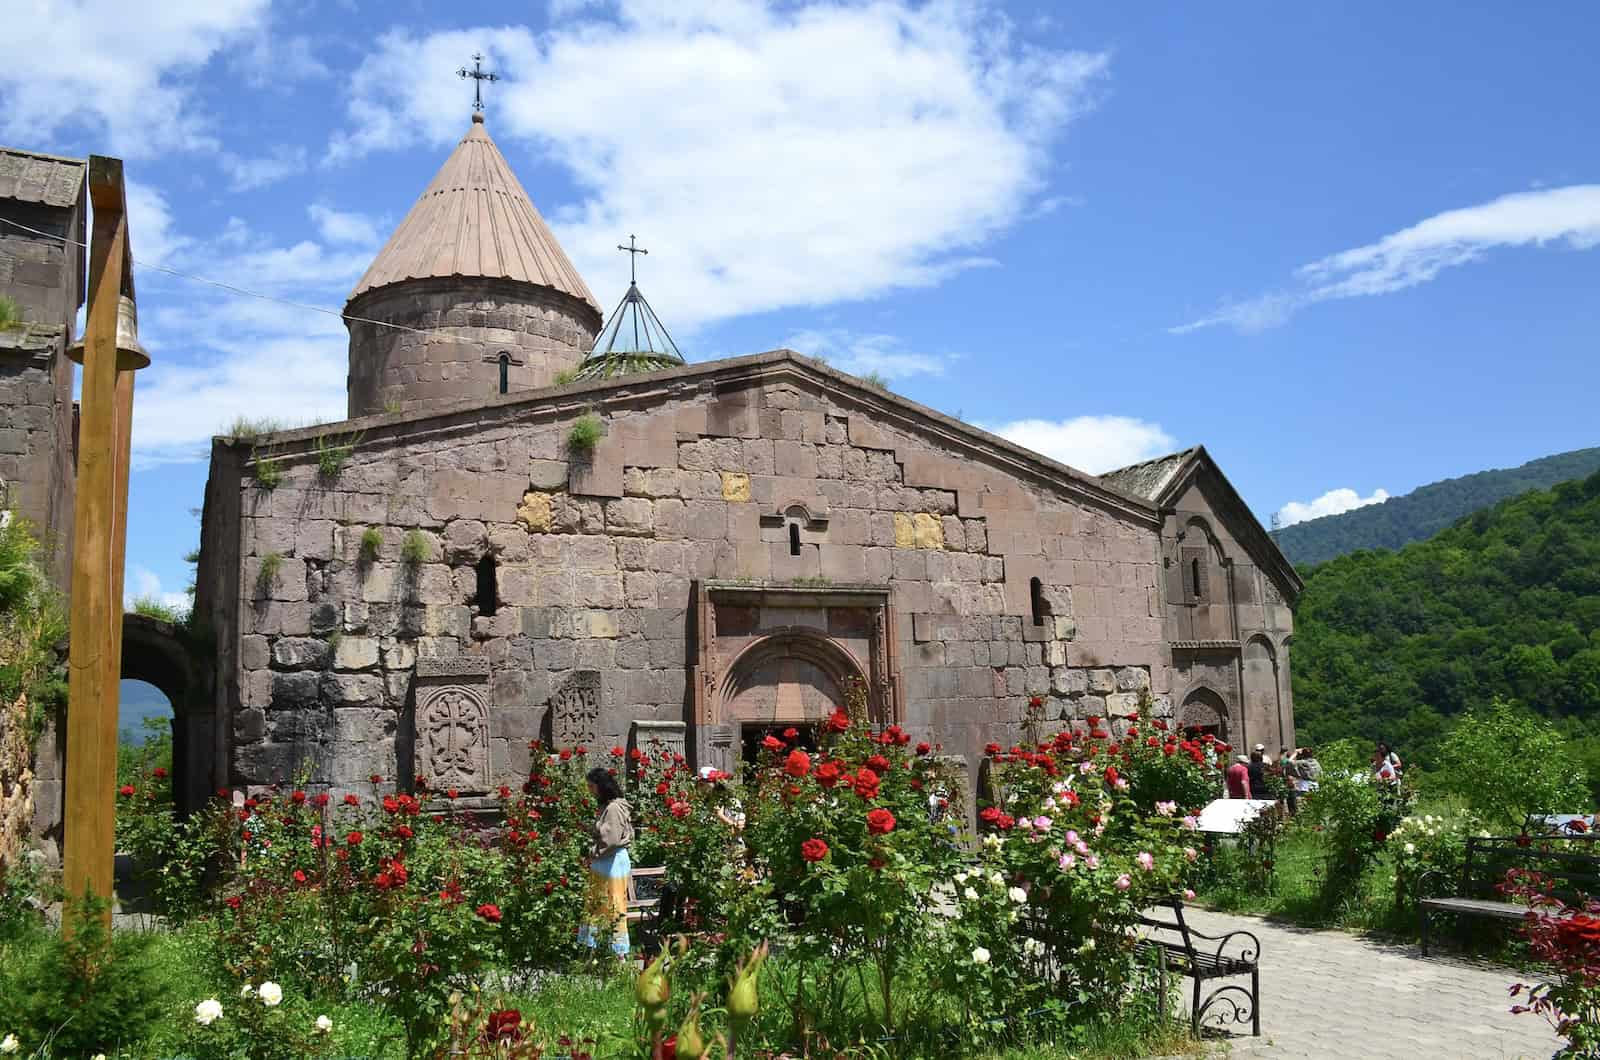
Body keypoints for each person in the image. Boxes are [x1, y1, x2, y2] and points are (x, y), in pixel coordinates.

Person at [578, 766, 634, 961]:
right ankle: (598, 952)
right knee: (600, 904)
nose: (590, 790)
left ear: (601, 786)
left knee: (612, 904)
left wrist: (592, 854)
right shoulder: (611, 806)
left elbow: (611, 840)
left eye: (591, 786)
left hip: (610, 861)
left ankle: (619, 954)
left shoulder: (613, 808)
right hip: (608, 861)